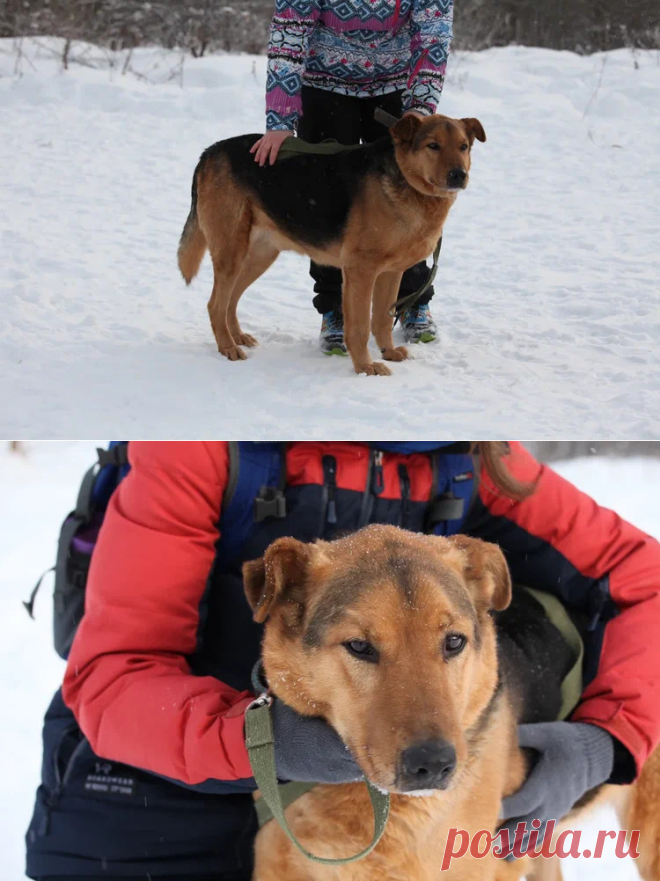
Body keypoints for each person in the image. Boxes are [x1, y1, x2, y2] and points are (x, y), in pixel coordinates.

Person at [26, 441, 660, 880]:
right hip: (151, 782)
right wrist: (266, 744)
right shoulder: (205, 444)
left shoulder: (468, 452)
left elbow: (643, 579)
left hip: (363, 788)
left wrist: (606, 744)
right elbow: (114, 677)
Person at [251, 0, 455, 355]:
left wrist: (419, 109)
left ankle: (413, 300)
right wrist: (281, 120)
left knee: (413, 200)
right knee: (329, 206)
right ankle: (335, 311)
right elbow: (289, 34)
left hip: (398, 91)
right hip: (324, 86)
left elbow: (433, 37)